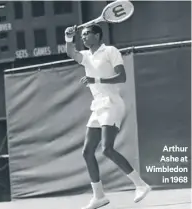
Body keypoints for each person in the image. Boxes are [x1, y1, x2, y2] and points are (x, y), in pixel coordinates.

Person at [65, 24, 151, 209]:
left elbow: (122, 77)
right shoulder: (86, 56)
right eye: (83, 35)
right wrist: (68, 38)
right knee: (87, 152)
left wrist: (96, 80)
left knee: (106, 149)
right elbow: (71, 52)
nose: (84, 37)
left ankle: (140, 184)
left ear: (97, 36)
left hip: (112, 104)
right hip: (97, 106)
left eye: (88, 34)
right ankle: (99, 196)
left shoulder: (111, 51)